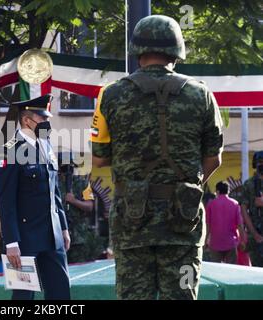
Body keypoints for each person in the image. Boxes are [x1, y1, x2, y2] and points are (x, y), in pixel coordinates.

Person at [90, 15, 223, 300]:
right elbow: (214, 158)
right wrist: (192, 183)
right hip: (183, 220)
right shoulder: (201, 94)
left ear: (137, 51)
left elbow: (99, 158)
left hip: (132, 221)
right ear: (176, 51)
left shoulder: (110, 95)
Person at [0, 94, 71, 300]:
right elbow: (6, 200)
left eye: (48, 119)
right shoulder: (10, 151)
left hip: (52, 235)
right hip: (25, 239)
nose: (47, 123)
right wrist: (11, 242)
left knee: (60, 293)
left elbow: (54, 191)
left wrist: (63, 227)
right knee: (23, 296)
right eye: (42, 120)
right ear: (27, 120)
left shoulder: (46, 146)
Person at [57, 155, 99, 263]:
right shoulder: (52, 183)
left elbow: (89, 206)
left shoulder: (83, 183)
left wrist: (74, 201)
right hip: (59, 236)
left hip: (79, 236)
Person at [205, 181, 245, 264]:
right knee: (231, 270)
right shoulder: (235, 204)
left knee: (216, 271)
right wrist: (242, 241)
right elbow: (240, 225)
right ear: (228, 191)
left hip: (215, 243)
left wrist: (205, 240)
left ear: (217, 191)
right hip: (231, 243)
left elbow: (208, 225)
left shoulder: (211, 204)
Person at [240, 151, 263, 267]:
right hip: (256, 236)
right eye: (260, 162)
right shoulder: (249, 184)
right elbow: (243, 210)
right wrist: (254, 234)